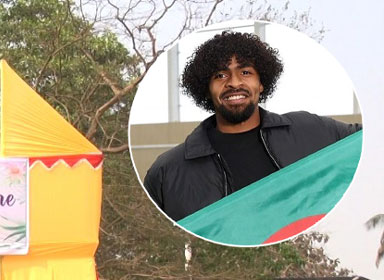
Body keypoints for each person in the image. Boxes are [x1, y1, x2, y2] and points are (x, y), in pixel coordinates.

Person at [143, 30, 362, 221]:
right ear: (206, 89)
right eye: (220, 75)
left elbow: (367, 144)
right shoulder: (167, 172)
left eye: (245, 72)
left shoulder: (309, 130)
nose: (234, 82)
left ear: (262, 83)